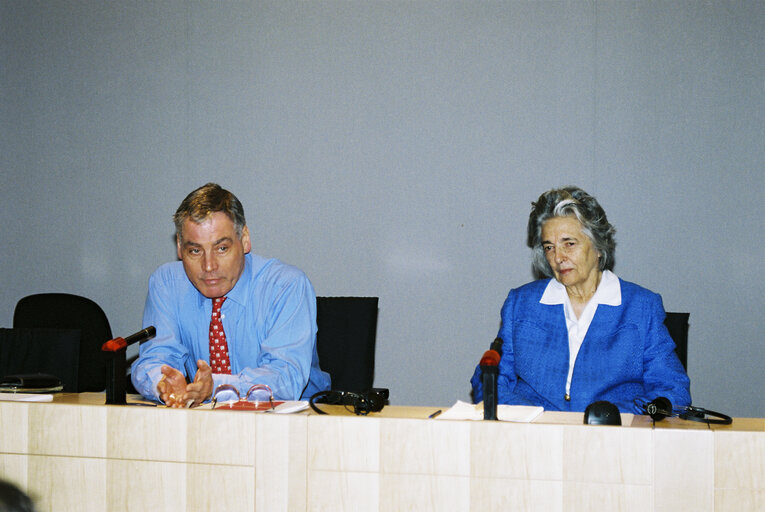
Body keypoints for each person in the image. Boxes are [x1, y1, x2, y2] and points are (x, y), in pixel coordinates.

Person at [471, 186, 690, 413]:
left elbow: (673, 391)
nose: (558, 257)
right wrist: (539, 420)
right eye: (549, 247)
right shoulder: (521, 304)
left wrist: (609, 419)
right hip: (537, 436)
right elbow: (490, 382)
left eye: (569, 244)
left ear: (597, 247)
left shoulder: (641, 307)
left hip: (613, 438)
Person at [131, 183, 330, 407]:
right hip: (204, 420)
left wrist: (213, 387)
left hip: (294, 421)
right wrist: (163, 384)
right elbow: (155, 357)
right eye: (195, 251)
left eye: (221, 248)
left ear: (244, 239)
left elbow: (285, 379)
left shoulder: (286, 286)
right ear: (179, 247)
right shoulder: (166, 283)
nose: (209, 266)